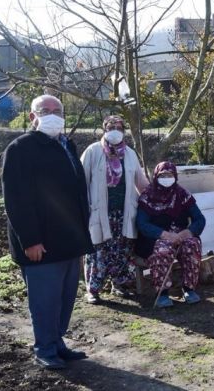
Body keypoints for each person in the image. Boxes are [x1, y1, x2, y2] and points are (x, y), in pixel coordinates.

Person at [2, 95, 94, 370]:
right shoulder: (20, 149)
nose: (52, 115)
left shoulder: (66, 145)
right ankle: (44, 347)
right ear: (32, 117)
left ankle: (57, 342)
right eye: (45, 110)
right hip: (41, 244)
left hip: (69, 240)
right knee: (45, 300)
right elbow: (16, 199)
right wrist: (30, 240)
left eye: (57, 111)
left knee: (65, 299)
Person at [80, 115, 149, 304]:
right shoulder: (93, 151)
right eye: (111, 127)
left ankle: (118, 284)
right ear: (104, 129)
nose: (115, 130)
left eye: (119, 127)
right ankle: (93, 290)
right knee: (97, 251)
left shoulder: (130, 153)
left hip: (124, 212)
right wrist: (81, 209)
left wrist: (154, 196)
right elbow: (81, 182)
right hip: (99, 211)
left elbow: (140, 181)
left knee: (122, 250)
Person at [135, 161, 206, 308]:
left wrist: (189, 231)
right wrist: (164, 234)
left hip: (180, 235)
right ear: (156, 176)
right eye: (163, 175)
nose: (167, 178)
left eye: (170, 175)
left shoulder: (182, 194)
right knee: (164, 249)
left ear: (175, 176)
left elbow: (199, 218)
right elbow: (142, 224)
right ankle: (162, 292)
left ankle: (188, 289)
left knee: (192, 244)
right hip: (155, 238)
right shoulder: (147, 196)